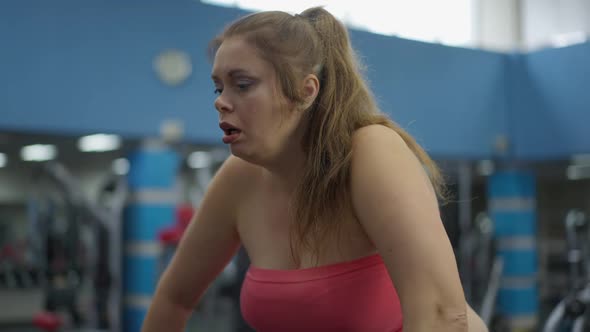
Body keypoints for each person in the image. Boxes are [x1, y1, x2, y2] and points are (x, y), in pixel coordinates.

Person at [143, 6, 488, 332]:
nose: (220, 101)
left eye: (243, 84)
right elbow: (174, 298)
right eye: (219, 87)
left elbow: (442, 315)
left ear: (306, 92)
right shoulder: (239, 179)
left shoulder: (370, 152)